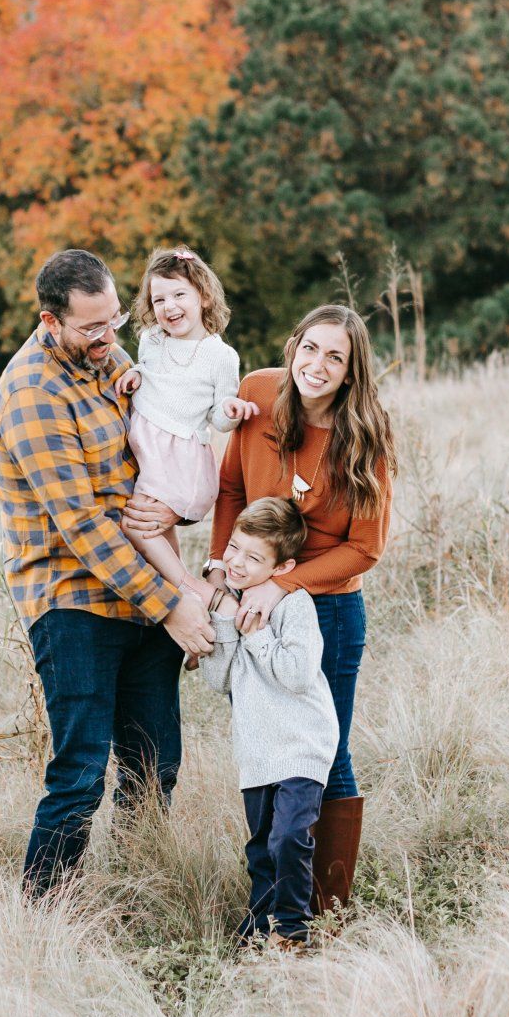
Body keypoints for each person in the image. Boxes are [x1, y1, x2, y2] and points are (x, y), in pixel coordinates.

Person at [126, 304, 394, 915]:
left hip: (325, 612)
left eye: (336, 357)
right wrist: (220, 569)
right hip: (248, 600)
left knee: (325, 752)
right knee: (266, 749)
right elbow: (231, 489)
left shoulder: (365, 435)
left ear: (352, 373)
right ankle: (277, 897)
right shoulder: (257, 394)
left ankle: (322, 909)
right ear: (293, 346)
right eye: (310, 348)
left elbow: (366, 547)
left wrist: (286, 584)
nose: (317, 366)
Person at [0, 248, 215, 896]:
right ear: (50, 321)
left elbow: (162, 464)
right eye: (91, 327)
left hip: (142, 594)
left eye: (114, 320)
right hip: (72, 601)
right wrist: (174, 604)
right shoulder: (32, 394)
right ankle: (41, 918)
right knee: (81, 774)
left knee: (154, 767)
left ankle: (141, 898)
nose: (108, 338)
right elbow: (82, 527)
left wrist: (180, 564)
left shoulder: (112, 361)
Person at [196, 496, 339, 953]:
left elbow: (297, 674)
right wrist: (223, 623)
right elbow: (218, 681)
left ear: (283, 567)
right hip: (256, 750)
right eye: (234, 548)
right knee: (261, 847)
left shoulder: (293, 605)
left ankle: (292, 931)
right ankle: (259, 930)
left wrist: (254, 634)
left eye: (254, 557)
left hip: (301, 743)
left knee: (290, 836)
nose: (237, 562)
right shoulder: (228, 607)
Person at [113, 247, 258, 597]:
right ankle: (177, 598)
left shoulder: (219, 355)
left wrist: (232, 410)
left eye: (179, 295)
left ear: (204, 297)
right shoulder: (151, 340)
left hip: (178, 457)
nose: (169, 307)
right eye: (159, 299)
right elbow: (150, 375)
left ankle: (189, 589)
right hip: (145, 449)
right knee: (156, 530)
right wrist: (135, 373)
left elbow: (218, 416)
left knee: (138, 525)